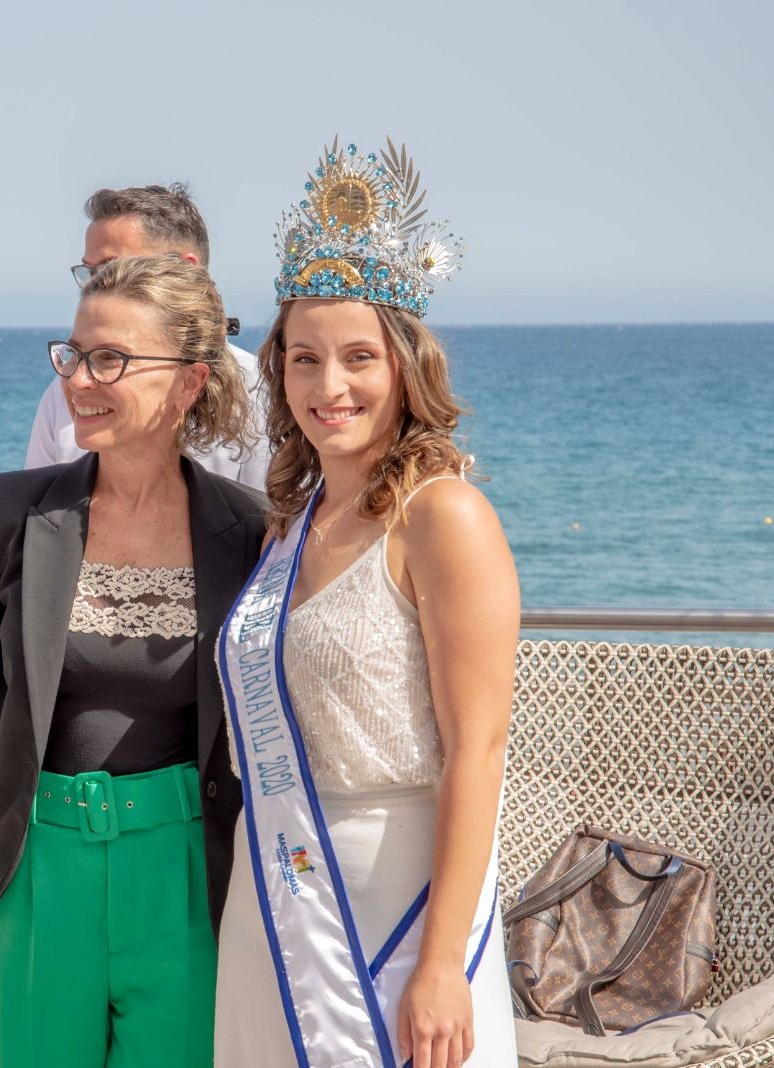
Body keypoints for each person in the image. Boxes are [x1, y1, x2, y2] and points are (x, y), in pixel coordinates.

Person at [0, 255, 267, 1066]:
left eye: (110, 358)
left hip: (189, 872)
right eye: (73, 354)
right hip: (40, 867)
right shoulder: (3, 512)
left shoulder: (249, 530)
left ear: (187, 383)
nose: (79, 378)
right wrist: (11, 809)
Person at [215, 139, 521, 1068]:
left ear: (405, 367)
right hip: (273, 883)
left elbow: (481, 749)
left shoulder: (446, 516)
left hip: (404, 890)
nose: (329, 386)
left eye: (358, 358)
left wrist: (442, 966)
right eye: (303, 360)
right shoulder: (290, 522)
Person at [24, 183, 270, 488]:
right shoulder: (64, 394)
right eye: (89, 272)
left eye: (112, 267)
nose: (95, 285)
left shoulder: (259, 391)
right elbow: (34, 510)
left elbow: (273, 523)